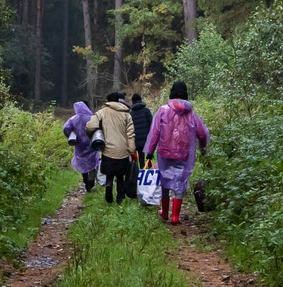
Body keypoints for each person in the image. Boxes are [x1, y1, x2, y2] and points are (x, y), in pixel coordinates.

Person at [144, 81, 209, 224]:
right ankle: (175, 217)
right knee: (180, 181)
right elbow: (203, 134)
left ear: (172, 93)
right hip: (183, 154)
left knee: (164, 180)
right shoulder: (191, 114)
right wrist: (203, 147)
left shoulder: (162, 110)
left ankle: (164, 213)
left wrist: (149, 151)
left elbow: (154, 133)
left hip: (164, 153)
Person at [86, 92, 136, 204]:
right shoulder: (126, 114)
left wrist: (92, 135)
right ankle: (119, 198)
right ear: (118, 100)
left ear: (107, 101)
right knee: (120, 177)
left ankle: (108, 185)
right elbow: (131, 133)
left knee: (110, 173)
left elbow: (89, 126)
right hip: (123, 150)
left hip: (108, 149)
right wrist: (131, 149)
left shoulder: (102, 112)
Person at [63, 101, 101, 192]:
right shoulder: (92, 118)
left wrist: (70, 136)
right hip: (91, 143)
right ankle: (92, 177)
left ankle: (85, 179)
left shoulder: (73, 119)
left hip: (79, 145)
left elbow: (65, 128)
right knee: (92, 160)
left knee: (82, 162)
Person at [129, 94, 153, 163]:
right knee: (149, 156)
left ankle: (141, 169)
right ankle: (149, 167)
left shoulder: (131, 114)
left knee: (140, 156)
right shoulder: (146, 111)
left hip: (137, 140)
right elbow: (151, 124)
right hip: (147, 139)